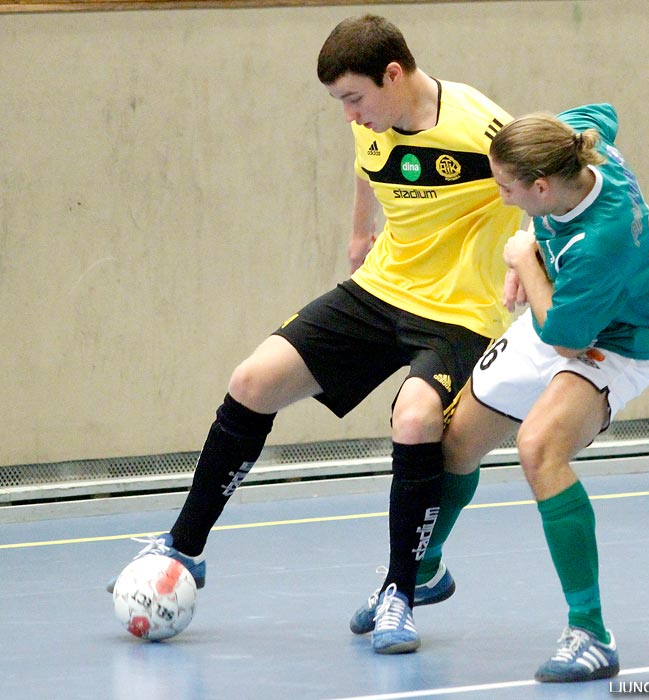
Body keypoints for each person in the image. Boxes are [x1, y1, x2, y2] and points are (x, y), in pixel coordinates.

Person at [106, 14, 522, 656]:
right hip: (382, 290)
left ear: (394, 75)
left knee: (414, 419)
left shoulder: (479, 127)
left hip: (463, 314)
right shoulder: (374, 123)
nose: (351, 116)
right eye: (339, 103)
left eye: (355, 98)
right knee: (252, 381)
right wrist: (360, 232)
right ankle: (184, 548)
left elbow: (542, 185)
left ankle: (399, 591)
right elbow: (370, 164)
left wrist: (545, 280)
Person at [431, 104, 649, 682]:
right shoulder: (579, 144)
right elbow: (605, 111)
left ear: (542, 185)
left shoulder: (603, 240)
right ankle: (423, 569)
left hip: (612, 343)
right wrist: (533, 250)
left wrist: (521, 258)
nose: (503, 197)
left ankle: (590, 632)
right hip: (564, 308)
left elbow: (565, 338)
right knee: (454, 442)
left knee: (539, 448)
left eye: (508, 188)